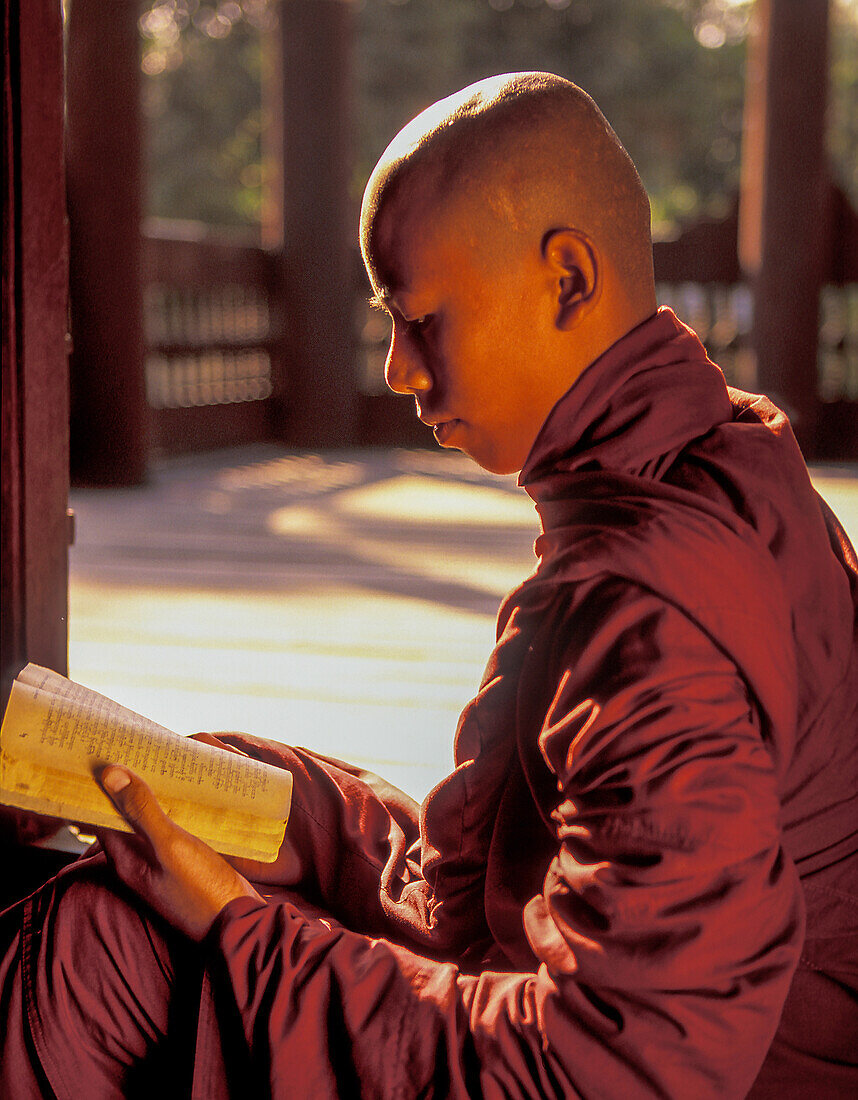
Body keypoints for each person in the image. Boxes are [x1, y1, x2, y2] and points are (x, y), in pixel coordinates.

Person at [2, 72, 857, 1099]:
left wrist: (243, 929)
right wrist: (257, 801)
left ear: (568, 281)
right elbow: (499, 870)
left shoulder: (651, 613)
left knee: (103, 949)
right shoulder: (725, 456)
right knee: (165, 871)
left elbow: (601, 1066)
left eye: (422, 319)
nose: (400, 369)